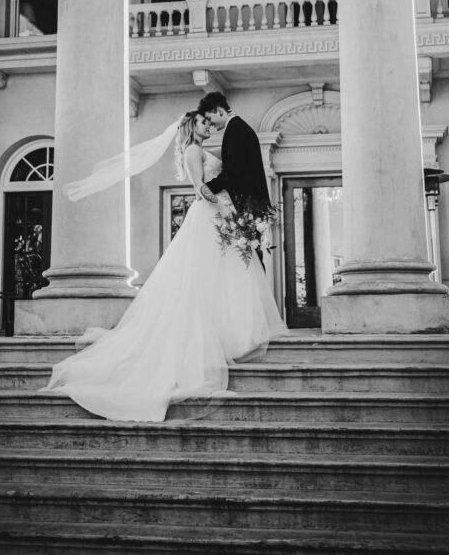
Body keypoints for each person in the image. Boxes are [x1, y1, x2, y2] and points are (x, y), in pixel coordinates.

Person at [40, 110, 287, 422]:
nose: (207, 125)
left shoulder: (205, 149)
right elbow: (202, 189)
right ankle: (221, 338)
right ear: (191, 126)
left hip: (218, 214)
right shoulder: (193, 151)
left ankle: (230, 334)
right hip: (210, 214)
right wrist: (226, 210)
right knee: (203, 278)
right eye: (202, 122)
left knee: (219, 277)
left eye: (208, 122)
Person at [197, 92, 270, 211]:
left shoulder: (235, 129)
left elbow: (233, 171)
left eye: (209, 118)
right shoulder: (238, 126)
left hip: (250, 205)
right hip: (252, 204)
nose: (210, 124)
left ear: (219, 111)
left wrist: (207, 188)